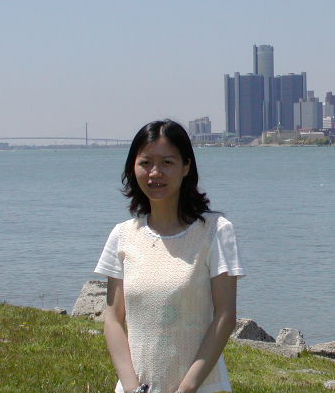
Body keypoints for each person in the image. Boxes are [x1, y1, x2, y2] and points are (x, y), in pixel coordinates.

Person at [94, 120, 245, 393]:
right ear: (133, 168)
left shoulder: (215, 231)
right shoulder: (123, 235)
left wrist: (186, 388)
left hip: (202, 387)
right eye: (145, 163)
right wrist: (131, 387)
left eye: (167, 162)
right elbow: (114, 319)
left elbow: (225, 316)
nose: (155, 173)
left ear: (186, 166)